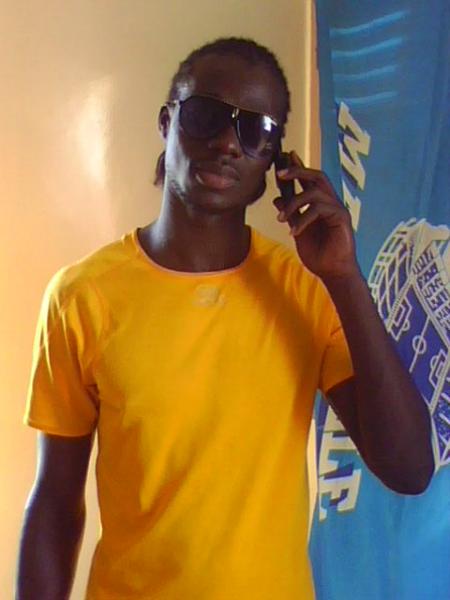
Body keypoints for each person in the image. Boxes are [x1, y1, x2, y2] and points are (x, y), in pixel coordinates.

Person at [16, 37, 434, 600]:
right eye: (206, 115)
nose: (226, 143)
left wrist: (343, 276)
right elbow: (54, 503)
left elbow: (409, 468)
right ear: (167, 122)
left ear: (274, 164)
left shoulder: (305, 291)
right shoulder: (81, 297)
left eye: (255, 131)